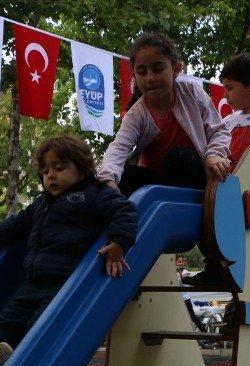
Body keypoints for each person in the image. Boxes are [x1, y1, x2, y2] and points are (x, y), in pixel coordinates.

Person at [0, 135, 138, 366]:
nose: (50, 176)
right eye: (45, 171)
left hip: (65, 281)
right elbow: (19, 221)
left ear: (83, 169)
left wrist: (118, 243)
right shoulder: (43, 203)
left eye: (59, 168)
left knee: (40, 323)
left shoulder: (94, 194)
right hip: (33, 279)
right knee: (5, 320)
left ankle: (21, 358)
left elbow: (125, 210)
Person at [97, 33, 230, 287]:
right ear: (134, 75)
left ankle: (215, 263)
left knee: (178, 157)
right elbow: (119, 148)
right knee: (121, 176)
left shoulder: (191, 92)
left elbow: (219, 130)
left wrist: (214, 155)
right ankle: (116, 242)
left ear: (176, 69)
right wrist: (108, 180)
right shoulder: (138, 113)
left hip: (197, 176)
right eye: (142, 71)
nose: (150, 78)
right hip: (163, 185)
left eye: (158, 69)